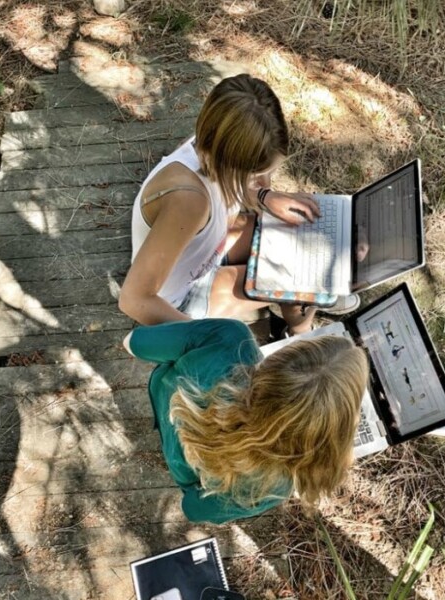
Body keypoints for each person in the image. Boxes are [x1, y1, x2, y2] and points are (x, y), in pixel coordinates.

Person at [119, 73, 360, 335]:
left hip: (206, 250)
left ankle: (315, 290)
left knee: (302, 243)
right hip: (181, 297)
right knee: (294, 279)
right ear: (231, 160)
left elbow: (235, 187)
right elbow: (135, 300)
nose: (265, 181)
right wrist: (207, 338)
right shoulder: (188, 202)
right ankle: (300, 322)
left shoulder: (210, 143)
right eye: (257, 175)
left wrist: (265, 197)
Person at [123, 318, 369, 524]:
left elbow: (133, 342)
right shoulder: (275, 488)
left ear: (278, 360)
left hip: (164, 402)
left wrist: (199, 333)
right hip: (183, 469)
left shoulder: (230, 338)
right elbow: (192, 508)